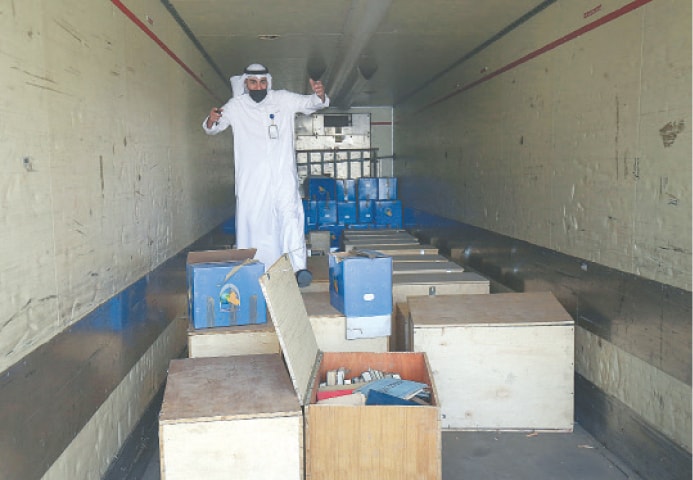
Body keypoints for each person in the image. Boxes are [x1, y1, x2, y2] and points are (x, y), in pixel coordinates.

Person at [203, 63, 329, 287]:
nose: (258, 86)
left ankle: (299, 268)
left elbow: (310, 104)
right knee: (255, 224)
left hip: (283, 177)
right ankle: (255, 270)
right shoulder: (236, 106)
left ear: (268, 82)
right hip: (253, 181)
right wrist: (212, 119)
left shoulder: (282, 99)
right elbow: (214, 127)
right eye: (253, 82)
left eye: (262, 82)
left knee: (290, 218)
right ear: (246, 83)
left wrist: (319, 95)